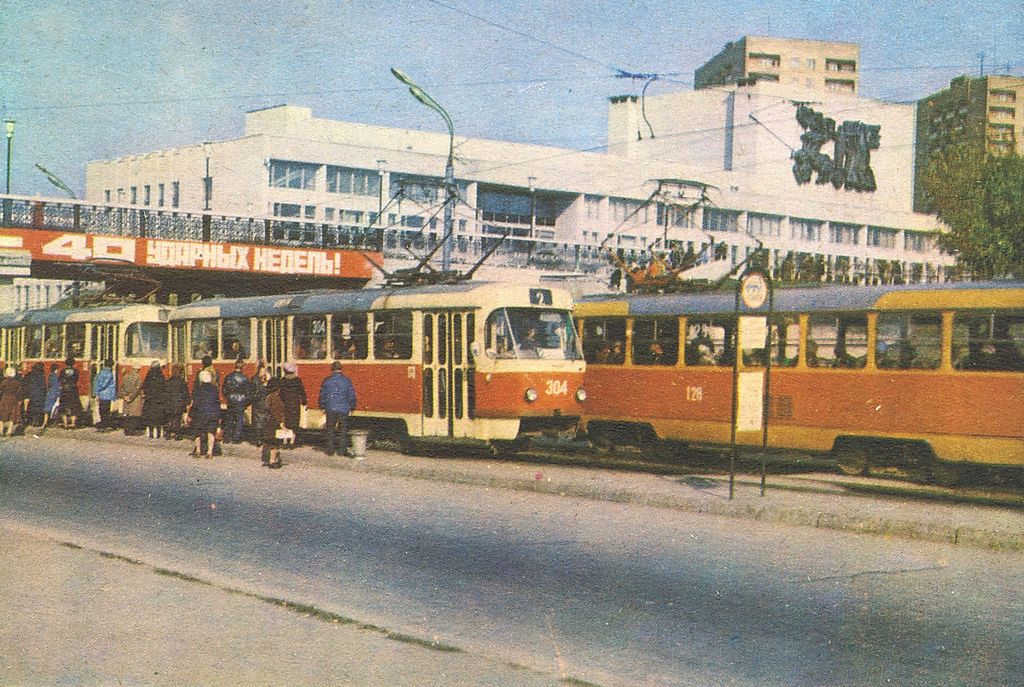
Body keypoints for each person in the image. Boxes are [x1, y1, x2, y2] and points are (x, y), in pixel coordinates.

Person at [319, 360, 357, 457]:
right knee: (343, 430)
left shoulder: (327, 380)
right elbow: (351, 395)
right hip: (344, 408)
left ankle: (330, 450)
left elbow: (323, 394)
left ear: (332, 369)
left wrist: (322, 406)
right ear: (341, 369)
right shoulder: (347, 381)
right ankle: (342, 450)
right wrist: (352, 406)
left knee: (330, 429)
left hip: (330, 408)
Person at [190, 369, 221, 459]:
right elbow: (217, 403)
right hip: (212, 413)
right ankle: (209, 452)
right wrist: (219, 415)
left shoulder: (198, 390)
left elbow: (195, 404)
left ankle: (198, 451)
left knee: (197, 432)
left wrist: (190, 414)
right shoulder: (215, 389)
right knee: (211, 432)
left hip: (200, 414)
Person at [221, 360, 252, 444]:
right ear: (242, 367)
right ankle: (236, 439)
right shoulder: (244, 378)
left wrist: (228, 397)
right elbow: (248, 392)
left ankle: (227, 438)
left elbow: (224, 389)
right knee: (239, 420)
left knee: (229, 419)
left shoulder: (228, 377)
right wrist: (246, 402)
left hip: (231, 400)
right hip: (241, 401)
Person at [277, 362, 307, 446]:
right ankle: (292, 442)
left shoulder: (283, 380)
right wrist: (304, 402)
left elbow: (280, 393)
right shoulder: (297, 380)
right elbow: (302, 392)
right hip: (295, 404)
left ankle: (285, 441)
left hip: (285, 404)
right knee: (294, 424)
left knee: (285, 423)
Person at [261, 378, 286, 469]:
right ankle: (272, 461)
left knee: (271, 443)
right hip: (274, 423)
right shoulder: (276, 397)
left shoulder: (268, 396)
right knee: (274, 444)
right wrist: (281, 423)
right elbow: (277, 412)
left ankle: (271, 459)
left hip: (268, 423)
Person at [141, 360, 168, 438]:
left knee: (150, 417)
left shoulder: (149, 376)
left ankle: (150, 433)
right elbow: (164, 388)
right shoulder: (161, 376)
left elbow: (144, 386)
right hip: (159, 400)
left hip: (150, 400)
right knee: (158, 417)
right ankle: (158, 433)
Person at [164, 364, 191, 440]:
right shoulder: (182, 382)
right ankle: (177, 434)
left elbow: (165, 393)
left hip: (169, 404)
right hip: (179, 404)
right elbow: (185, 393)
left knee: (169, 418)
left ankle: (168, 433)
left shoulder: (168, 382)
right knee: (177, 419)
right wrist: (188, 402)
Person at [248, 362, 271, 445]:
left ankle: (260, 439)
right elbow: (256, 391)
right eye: (262, 371)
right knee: (258, 421)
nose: (263, 373)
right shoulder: (256, 379)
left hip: (262, 402)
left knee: (261, 420)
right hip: (259, 402)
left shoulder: (261, 379)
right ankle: (258, 439)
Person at [118, 364, 144, 436]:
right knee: (134, 416)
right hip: (134, 399)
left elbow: (121, 388)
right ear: (137, 370)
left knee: (127, 415)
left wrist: (124, 396)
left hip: (126, 398)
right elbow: (137, 389)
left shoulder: (125, 376)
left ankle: (126, 430)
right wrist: (131, 397)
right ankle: (132, 431)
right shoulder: (137, 377)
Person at [92, 359, 117, 430]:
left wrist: (96, 391)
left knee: (102, 409)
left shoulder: (101, 372)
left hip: (101, 394)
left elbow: (96, 381)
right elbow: (105, 384)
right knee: (105, 410)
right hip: (107, 394)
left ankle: (103, 424)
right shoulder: (109, 373)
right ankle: (104, 425)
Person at [59, 358, 83, 429]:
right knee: (74, 407)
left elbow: (60, 380)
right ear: (73, 363)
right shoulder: (76, 371)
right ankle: (73, 423)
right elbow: (76, 379)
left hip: (65, 391)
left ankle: (65, 424)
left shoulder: (62, 371)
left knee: (63, 407)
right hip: (73, 390)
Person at [0, 367, 24, 437]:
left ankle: (1, 431)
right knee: (12, 416)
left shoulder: (4, 381)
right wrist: (19, 400)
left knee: (2, 415)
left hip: (5, 399)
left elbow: (1, 390)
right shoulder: (17, 382)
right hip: (13, 399)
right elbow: (19, 392)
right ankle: (9, 431)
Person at [22, 362, 47, 427]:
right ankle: (37, 421)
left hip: (31, 393)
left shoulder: (29, 374)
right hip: (40, 394)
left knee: (32, 408)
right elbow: (44, 385)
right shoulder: (42, 375)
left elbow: (24, 383)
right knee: (38, 408)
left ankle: (30, 420)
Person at [42, 364, 61, 430]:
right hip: (55, 393)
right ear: (56, 370)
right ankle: (53, 423)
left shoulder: (49, 376)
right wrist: (58, 397)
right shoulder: (56, 377)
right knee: (55, 409)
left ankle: (44, 423)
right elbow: (57, 387)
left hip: (49, 393)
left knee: (47, 409)